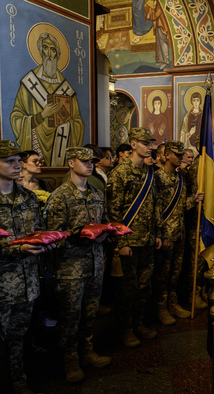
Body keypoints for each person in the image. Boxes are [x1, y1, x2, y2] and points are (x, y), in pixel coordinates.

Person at [45, 147, 112, 382]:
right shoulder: (60, 195)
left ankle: (87, 351)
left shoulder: (96, 193)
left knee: (90, 312)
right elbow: (52, 234)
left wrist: (109, 232)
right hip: (70, 266)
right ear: (71, 163)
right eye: (84, 161)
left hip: (95, 263)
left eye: (92, 161)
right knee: (71, 315)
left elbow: (103, 222)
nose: (90, 165)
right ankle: (69, 359)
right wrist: (78, 234)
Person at [0, 140, 55, 394]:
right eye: (9, 161)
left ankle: (18, 380)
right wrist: (15, 248)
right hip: (2, 285)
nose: (16, 165)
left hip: (27, 283)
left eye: (17, 160)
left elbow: (38, 231)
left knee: (18, 337)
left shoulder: (28, 196)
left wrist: (47, 242)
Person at [107, 127, 162, 348]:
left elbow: (154, 206)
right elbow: (113, 211)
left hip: (147, 240)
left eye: (151, 143)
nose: (150, 147)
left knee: (143, 286)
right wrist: (121, 242)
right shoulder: (119, 173)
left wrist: (157, 234)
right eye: (145, 143)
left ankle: (138, 324)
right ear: (133, 144)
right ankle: (125, 329)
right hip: (129, 242)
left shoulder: (150, 173)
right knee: (127, 290)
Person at [10, 32, 84, 167]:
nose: (49, 53)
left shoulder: (66, 89)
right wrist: (41, 116)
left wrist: (66, 123)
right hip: (36, 144)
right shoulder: (29, 83)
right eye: (45, 48)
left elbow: (78, 121)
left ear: (57, 54)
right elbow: (16, 117)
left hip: (60, 144)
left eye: (53, 49)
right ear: (40, 51)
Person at [153, 141, 202, 325]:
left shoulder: (180, 177)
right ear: (166, 155)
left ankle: (172, 304)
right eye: (176, 154)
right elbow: (156, 209)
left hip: (179, 232)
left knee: (175, 273)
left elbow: (181, 205)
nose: (180, 157)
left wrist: (193, 199)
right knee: (163, 274)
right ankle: (160, 307)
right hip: (166, 234)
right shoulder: (157, 177)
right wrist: (162, 235)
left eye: (182, 154)